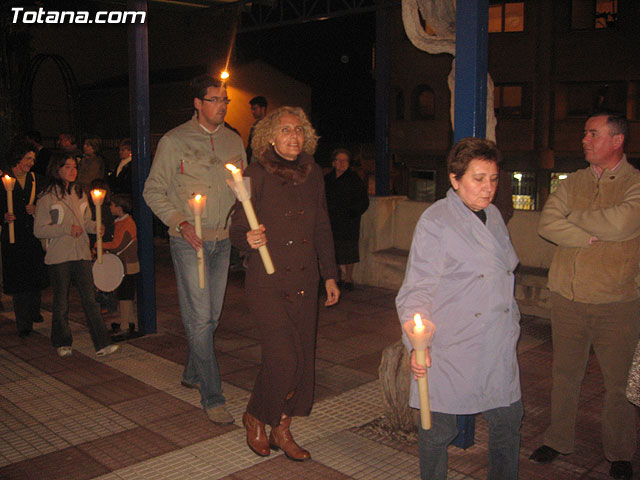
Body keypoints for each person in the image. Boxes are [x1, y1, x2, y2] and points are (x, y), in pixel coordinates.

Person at [396, 137, 523, 480]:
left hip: (496, 342)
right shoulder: (436, 220)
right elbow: (417, 289)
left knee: (508, 423)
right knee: (437, 432)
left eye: (494, 179)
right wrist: (416, 345)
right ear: (455, 179)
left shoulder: (493, 215)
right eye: (478, 179)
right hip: (453, 344)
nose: (488, 188)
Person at [531, 111, 639, 480]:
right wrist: (584, 234)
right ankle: (558, 439)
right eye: (584, 133)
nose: (584, 140)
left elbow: (624, 222)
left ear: (617, 140)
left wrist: (573, 218)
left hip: (617, 301)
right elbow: (547, 223)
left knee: (618, 383)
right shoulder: (572, 180)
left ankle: (620, 452)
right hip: (567, 298)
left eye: (592, 134)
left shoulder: (635, 183)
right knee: (564, 375)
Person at [230, 106, 340, 461]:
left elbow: (322, 224)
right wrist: (250, 237)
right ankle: (255, 415)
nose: (295, 137)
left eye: (299, 130)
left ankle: (281, 425)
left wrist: (330, 274)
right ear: (271, 137)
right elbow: (235, 226)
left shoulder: (314, 174)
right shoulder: (255, 173)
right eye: (286, 130)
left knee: (301, 360)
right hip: (268, 280)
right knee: (283, 358)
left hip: (306, 279)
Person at [143, 74, 245, 425]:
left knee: (211, 317)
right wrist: (180, 223)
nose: (222, 106)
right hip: (189, 241)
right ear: (198, 104)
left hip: (223, 240)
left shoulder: (234, 141)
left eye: (225, 100)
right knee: (200, 319)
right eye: (215, 100)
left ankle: (190, 371)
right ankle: (212, 395)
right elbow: (152, 190)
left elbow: (243, 188)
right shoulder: (174, 141)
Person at [33, 153, 119, 358]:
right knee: (61, 301)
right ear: (57, 169)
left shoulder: (80, 193)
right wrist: (64, 229)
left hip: (81, 253)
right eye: (67, 167)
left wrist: (95, 227)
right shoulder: (47, 197)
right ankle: (62, 341)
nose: (72, 171)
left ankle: (102, 342)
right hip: (59, 255)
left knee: (90, 299)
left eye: (74, 167)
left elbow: (86, 221)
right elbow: (39, 230)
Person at [0, 142, 48, 337]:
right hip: (13, 237)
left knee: (35, 276)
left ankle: (34, 311)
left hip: (33, 235)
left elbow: (47, 206)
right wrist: (3, 216)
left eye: (33, 159)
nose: (31, 163)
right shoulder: (3, 179)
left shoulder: (37, 180)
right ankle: (23, 323)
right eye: (28, 158)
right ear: (18, 157)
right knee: (19, 279)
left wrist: (37, 210)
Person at [324, 148, 369, 291]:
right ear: (333, 162)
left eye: (345, 161)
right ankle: (334, 278)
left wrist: (352, 213)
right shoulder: (327, 179)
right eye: (339, 160)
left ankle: (348, 279)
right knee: (332, 250)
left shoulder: (354, 179)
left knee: (349, 251)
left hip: (349, 222)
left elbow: (363, 201)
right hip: (331, 222)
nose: (342, 163)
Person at [101, 194, 139, 340]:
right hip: (125, 263)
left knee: (125, 296)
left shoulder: (126, 223)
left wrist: (100, 245)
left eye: (112, 205)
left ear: (119, 207)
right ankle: (129, 322)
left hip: (127, 264)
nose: (110, 208)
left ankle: (125, 326)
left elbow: (117, 244)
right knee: (126, 295)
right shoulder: (122, 222)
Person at [246, 95, 267, 163]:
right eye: (252, 109)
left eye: (255, 109)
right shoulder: (255, 125)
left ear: (263, 109)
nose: (253, 112)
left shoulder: (268, 126)